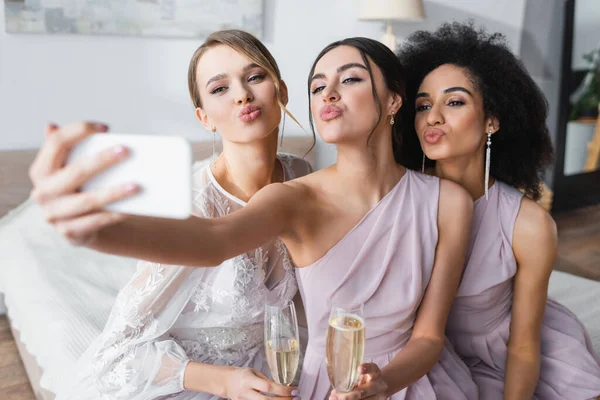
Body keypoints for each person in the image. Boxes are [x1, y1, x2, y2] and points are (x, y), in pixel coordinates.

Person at [30, 37, 478, 399]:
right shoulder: (288, 197)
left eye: (351, 79)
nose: (329, 93)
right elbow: (214, 239)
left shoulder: (304, 172)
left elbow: (428, 334)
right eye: (319, 86)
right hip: (207, 375)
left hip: (325, 372)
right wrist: (96, 228)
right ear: (203, 117)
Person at [38, 29, 312, 400]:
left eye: (254, 77)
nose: (242, 94)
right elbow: (117, 353)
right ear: (205, 118)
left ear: (281, 91)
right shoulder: (195, 203)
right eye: (219, 89)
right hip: (192, 383)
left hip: (273, 373)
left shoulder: (302, 176)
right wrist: (223, 382)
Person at [397, 21, 600, 399]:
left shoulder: (529, 224)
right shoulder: (398, 198)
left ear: (492, 120)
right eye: (423, 105)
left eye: (454, 102)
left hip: (511, 355)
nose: (433, 117)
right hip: (427, 356)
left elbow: (524, 347)